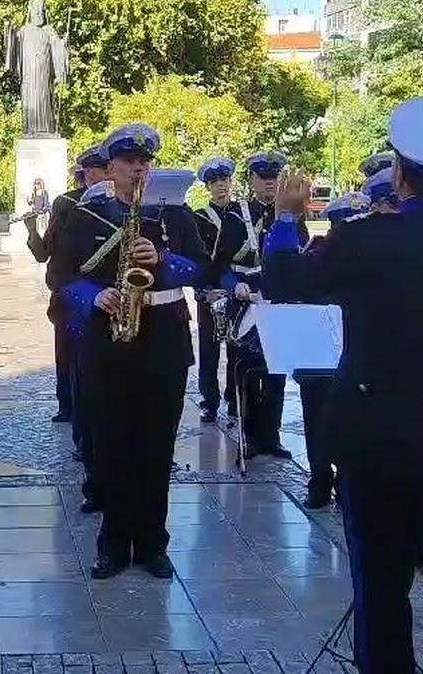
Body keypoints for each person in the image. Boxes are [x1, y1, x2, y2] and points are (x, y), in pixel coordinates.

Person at [264, 95, 423, 672]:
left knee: (381, 589)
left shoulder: (362, 240)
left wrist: (285, 219)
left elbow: (282, 281)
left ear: (400, 174)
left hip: (376, 434)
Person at [54, 125, 213, 579]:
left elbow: (201, 269)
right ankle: (112, 543)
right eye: (128, 162)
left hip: (164, 339)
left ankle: (151, 544)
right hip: (108, 340)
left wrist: (161, 260)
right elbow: (61, 277)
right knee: (109, 446)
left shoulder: (175, 215)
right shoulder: (89, 216)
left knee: (156, 447)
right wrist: (94, 296)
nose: (137, 169)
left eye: (144, 162)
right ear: (111, 168)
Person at [270, 190, 369, 510]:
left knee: (352, 422)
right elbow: (281, 275)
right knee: (317, 419)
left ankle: (344, 481)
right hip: (319, 350)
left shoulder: (377, 255)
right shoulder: (317, 254)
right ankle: (320, 479)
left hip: (358, 355)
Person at [27, 148, 109, 513]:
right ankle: (81, 434)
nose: (105, 176)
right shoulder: (67, 204)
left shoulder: (129, 206)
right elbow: (49, 254)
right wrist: (32, 229)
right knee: (75, 368)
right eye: (99, 170)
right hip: (72, 299)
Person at [214, 151, 305, 460]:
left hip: (277, 301)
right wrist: (233, 286)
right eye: (263, 178)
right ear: (252, 180)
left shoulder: (292, 216)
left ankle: (271, 436)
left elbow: (300, 256)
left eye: (273, 178)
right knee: (247, 372)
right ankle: (250, 435)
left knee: (276, 373)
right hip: (246, 301)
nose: (269, 184)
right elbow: (220, 265)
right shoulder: (236, 215)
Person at [191, 157, 236, 424]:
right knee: (209, 348)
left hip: (235, 288)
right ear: (208, 186)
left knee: (236, 346)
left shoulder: (241, 213)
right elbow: (197, 256)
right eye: (215, 181)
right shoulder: (199, 217)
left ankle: (233, 398)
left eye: (225, 180)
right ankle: (209, 400)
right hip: (209, 289)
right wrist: (202, 288)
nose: (221, 185)